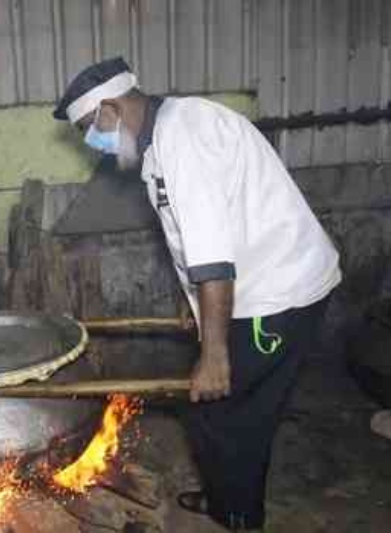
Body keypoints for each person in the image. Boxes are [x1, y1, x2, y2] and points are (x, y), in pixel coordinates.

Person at [53, 57, 341, 531]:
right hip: (269, 279)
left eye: (90, 128)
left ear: (110, 109)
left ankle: (238, 515)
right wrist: (194, 310)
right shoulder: (165, 135)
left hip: (277, 292)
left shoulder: (183, 140)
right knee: (236, 411)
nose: (94, 143)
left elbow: (212, 258)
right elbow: (193, 240)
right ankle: (228, 497)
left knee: (222, 412)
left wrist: (214, 353)